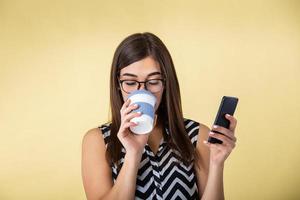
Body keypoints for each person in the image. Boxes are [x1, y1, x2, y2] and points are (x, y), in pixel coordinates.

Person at [81, 32, 237, 200]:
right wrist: (134, 153)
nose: (142, 91)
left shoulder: (197, 135)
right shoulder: (97, 140)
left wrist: (217, 164)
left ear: (166, 84)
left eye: (153, 82)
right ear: (118, 85)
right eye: (130, 82)